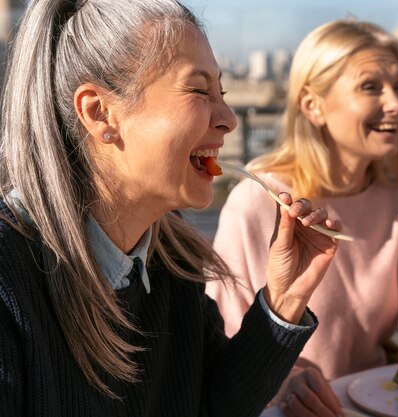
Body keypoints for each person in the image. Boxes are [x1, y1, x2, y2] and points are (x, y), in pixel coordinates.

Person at [0, 1, 343, 416]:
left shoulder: (170, 259)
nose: (229, 119)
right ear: (99, 112)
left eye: (223, 93)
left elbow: (214, 405)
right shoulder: (9, 275)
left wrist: (284, 301)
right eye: (199, 90)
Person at [206, 20, 398, 416]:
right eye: (371, 87)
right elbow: (222, 344)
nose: (396, 104)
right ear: (313, 105)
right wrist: (281, 380)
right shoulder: (259, 201)